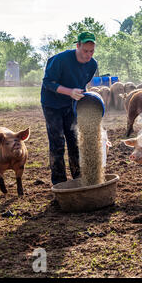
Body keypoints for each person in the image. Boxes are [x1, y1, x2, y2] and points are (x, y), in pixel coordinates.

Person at [41, 31, 98, 185]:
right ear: (77, 46)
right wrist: (70, 92)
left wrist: (82, 96)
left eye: (91, 51)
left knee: (74, 140)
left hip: (71, 104)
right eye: (85, 51)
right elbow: (47, 83)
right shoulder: (61, 60)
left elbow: (82, 83)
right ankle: (59, 182)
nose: (88, 55)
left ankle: (79, 177)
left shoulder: (92, 64)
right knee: (57, 142)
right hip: (52, 103)